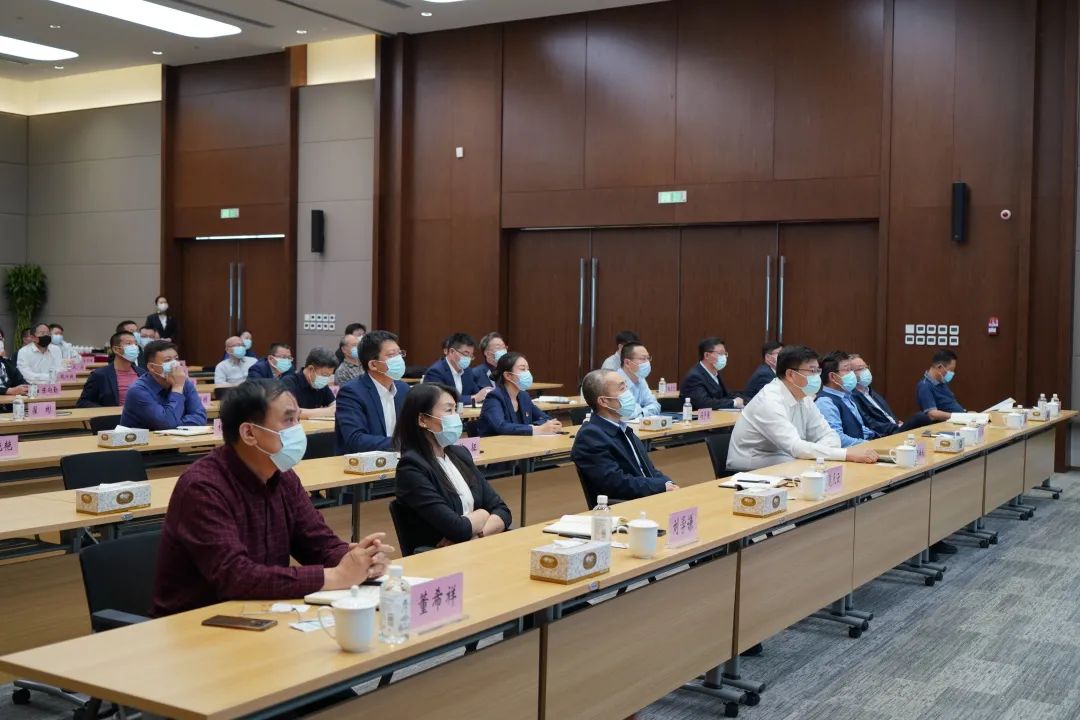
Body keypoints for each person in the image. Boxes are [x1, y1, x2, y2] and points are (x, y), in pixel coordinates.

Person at [152, 379, 392, 617]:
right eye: (288, 420)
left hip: (259, 611)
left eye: (297, 419)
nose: (298, 429)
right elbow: (235, 576)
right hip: (195, 621)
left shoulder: (283, 476)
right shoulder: (203, 487)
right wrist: (336, 576)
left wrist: (358, 559)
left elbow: (318, 543)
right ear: (249, 433)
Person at [394, 383, 512, 549]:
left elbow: (502, 510)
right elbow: (458, 529)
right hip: (439, 556)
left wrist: (479, 535)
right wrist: (484, 513)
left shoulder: (460, 454)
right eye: (449, 410)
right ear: (422, 420)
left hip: (473, 546)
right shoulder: (411, 468)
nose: (456, 417)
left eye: (456, 409)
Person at [727, 345, 879, 471]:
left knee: (817, 465)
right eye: (812, 371)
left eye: (818, 371)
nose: (817, 376)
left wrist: (820, 454)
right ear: (791, 374)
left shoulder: (804, 396)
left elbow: (829, 435)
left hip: (786, 456)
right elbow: (795, 447)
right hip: (751, 462)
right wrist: (846, 454)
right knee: (811, 466)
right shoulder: (769, 401)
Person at [571, 369, 678, 502]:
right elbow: (616, 483)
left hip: (646, 496)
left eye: (626, 387)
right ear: (603, 401)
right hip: (626, 506)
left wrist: (668, 483)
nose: (629, 393)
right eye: (622, 389)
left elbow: (648, 470)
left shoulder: (623, 428)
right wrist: (661, 486)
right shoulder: (590, 437)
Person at [335, 330, 411, 453]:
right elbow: (356, 440)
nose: (399, 359)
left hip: (400, 458)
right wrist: (403, 443)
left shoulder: (403, 389)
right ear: (373, 365)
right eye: (392, 355)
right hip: (364, 462)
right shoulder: (352, 392)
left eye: (399, 353)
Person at [119, 340, 206, 430]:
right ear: (152, 367)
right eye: (168, 360)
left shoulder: (184, 382)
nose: (175, 364)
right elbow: (167, 424)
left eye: (176, 359)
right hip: (142, 439)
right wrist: (177, 388)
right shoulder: (138, 390)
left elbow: (200, 418)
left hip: (177, 438)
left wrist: (176, 423)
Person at [477, 352, 561, 436]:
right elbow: (501, 426)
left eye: (527, 369)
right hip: (493, 443)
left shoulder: (524, 396)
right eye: (522, 369)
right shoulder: (494, 397)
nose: (527, 373)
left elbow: (545, 418)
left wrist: (544, 426)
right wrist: (537, 429)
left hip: (519, 442)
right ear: (508, 375)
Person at [848, 354, 931, 437]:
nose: (866, 371)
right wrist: (895, 427)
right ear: (851, 374)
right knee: (920, 417)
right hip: (886, 433)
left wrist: (897, 422)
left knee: (924, 424)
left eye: (866, 367)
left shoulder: (870, 391)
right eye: (860, 369)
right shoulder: (853, 397)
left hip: (895, 427)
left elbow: (887, 414)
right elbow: (870, 423)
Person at [814, 351, 873, 448]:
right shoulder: (825, 402)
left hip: (863, 447)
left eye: (852, 370)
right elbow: (837, 438)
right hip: (851, 452)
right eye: (847, 370)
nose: (852, 374)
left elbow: (860, 428)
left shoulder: (846, 396)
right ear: (833, 377)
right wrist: (869, 444)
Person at [77, 331, 146, 408]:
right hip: (115, 415)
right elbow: (83, 402)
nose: (134, 347)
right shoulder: (99, 375)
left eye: (135, 344)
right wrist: (109, 411)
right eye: (129, 343)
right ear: (116, 349)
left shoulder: (142, 373)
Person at [422, 332, 492, 407]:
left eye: (471, 355)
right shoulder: (436, 372)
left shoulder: (467, 371)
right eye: (466, 354)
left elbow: (476, 393)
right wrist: (474, 398)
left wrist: (485, 394)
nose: (468, 359)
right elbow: (441, 400)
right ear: (452, 352)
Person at [680, 337, 745, 410]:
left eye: (725, 354)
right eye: (720, 353)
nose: (724, 357)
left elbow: (726, 395)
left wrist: (744, 401)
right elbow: (704, 403)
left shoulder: (715, 373)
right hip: (697, 416)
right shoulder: (694, 377)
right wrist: (733, 402)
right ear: (707, 355)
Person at [281, 348, 337, 419]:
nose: (326, 379)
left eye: (329, 375)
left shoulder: (322, 385)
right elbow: (291, 412)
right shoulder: (289, 382)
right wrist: (328, 411)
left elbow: (335, 406)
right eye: (324, 375)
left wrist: (331, 410)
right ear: (311, 369)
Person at [916, 350, 964, 422]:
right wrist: (959, 417)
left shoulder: (942, 382)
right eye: (950, 370)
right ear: (939, 367)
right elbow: (932, 414)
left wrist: (966, 415)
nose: (952, 373)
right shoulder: (925, 386)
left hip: (958, 421)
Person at [616, 342, 661, 418]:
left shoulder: (640, 379)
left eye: (648, 358)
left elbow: (656, 406)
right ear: (627, 363)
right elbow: (625, 414)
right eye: (643, 359)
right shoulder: (615, 382)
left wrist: (642, 412)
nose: (647, 362)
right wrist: (643, 411)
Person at [0, 328, 29, 396]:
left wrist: (28, 388)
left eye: (0, 339)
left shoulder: (7, 363)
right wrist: (9, 391)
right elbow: (12, 391)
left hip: (9, 401)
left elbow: (21, 381)